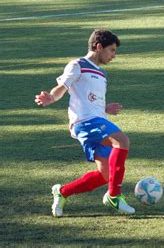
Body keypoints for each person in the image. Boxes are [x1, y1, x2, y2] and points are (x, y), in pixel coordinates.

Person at [35, 29, 135, 216]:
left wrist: (105, 108)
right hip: (85, 123)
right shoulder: (77, 64)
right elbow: (62, 87)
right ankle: (114, 196)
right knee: (122, 141)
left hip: (97, 120)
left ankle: (62, 192)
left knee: (105, 174)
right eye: (111, 50)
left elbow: (89, 100)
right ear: (99, 47)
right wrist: (51, 98)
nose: (114, 55)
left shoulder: (102, 74)